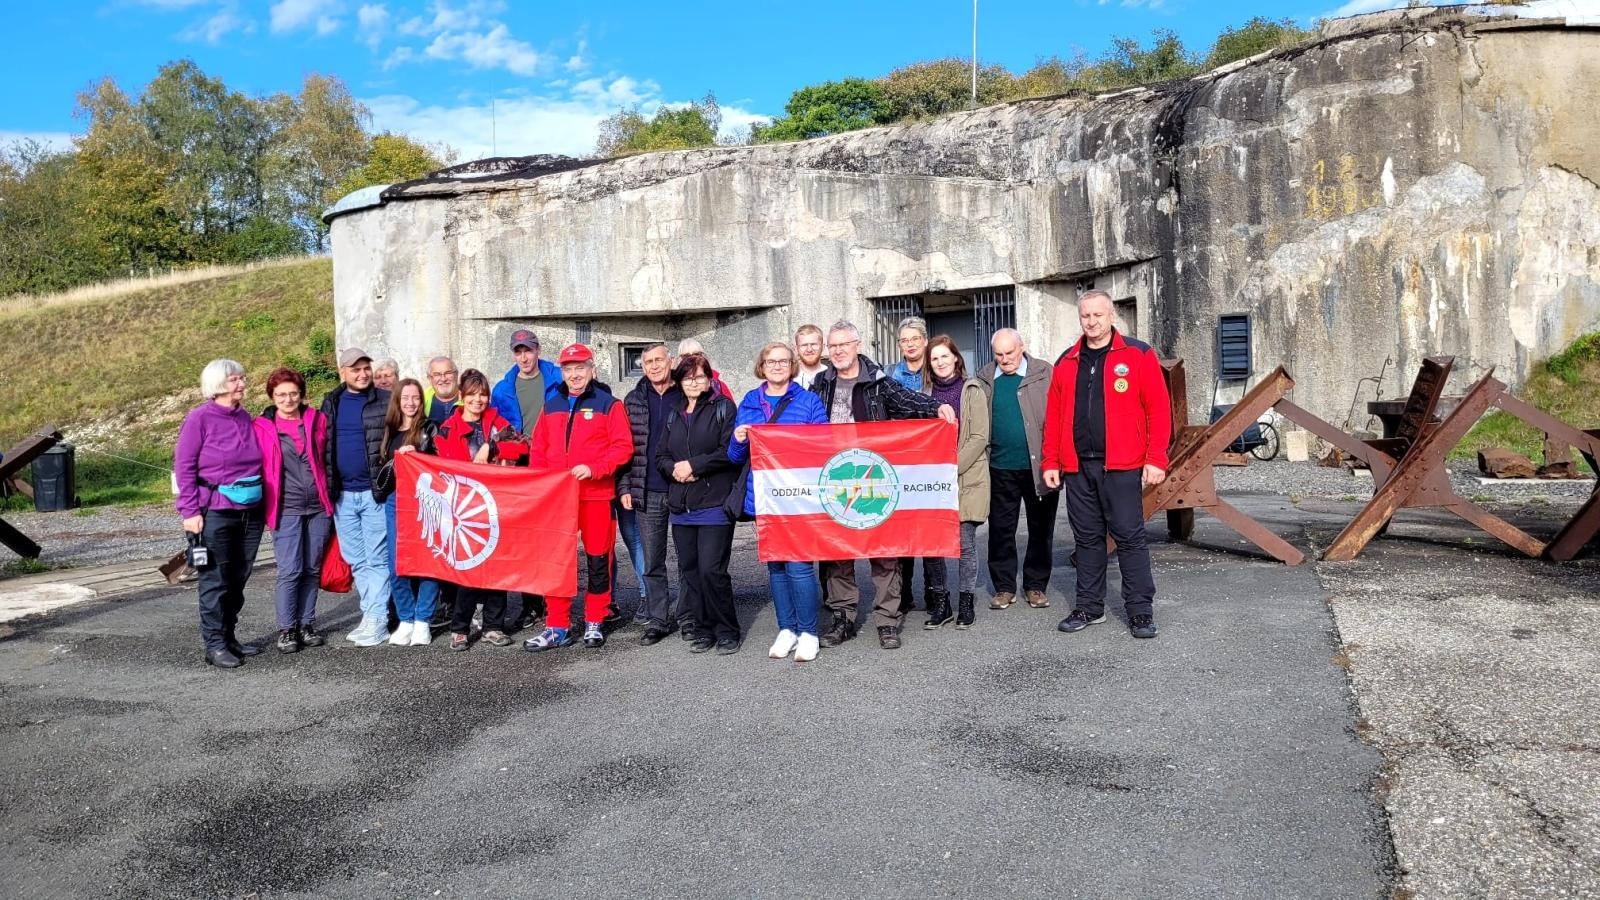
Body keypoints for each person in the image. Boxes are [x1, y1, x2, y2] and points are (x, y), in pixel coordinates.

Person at [809, 320, 955, 650]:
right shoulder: (820, 384)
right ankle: (843, 618)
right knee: (837, 555)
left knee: (884, 554)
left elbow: (908, 399)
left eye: (843, 345)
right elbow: (801, 417)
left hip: (875, 478)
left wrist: (937, 406)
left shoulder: (879, 382)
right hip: (835, 480)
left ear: (857, 345)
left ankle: (887, 622)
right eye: (832, 347)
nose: (838, 351)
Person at [1043, 290, 1171, 639]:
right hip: (1078, 467)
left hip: (1123, 465)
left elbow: (1158, 409)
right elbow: (1054, 416)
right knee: (1086, 540)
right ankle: (1089, 606)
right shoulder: (1067, 361)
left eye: (1098, 315)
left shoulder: (1137, 354)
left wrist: (1156, 458)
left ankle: (1140, 612)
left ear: (1112, 316)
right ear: (1080, 318)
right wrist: (1050, 461)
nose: (1092, 322)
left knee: (1130, 538)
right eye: (1086, 316)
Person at [524, 344, 634, 652]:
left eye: (580, 367)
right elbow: (539, 451)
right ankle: (557, 626)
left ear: (592, 370)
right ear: (562, 372)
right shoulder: (552, 404)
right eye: (568, 369)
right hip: (558, 500)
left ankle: (594, 620)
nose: (574, 374)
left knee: (599, 560)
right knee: (556, 562)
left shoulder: (608, 404)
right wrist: (541, 487)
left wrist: (596, 468)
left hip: (596, 496)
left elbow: (622, 448)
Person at [728, 342, 829, 661]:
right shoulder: (749, 401)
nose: (777, 366)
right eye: (771, 361)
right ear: (762, 366)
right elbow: (734, 457)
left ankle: (809, 632)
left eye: (783, 361)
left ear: (792, 365)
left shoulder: (808, 400)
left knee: (799, 566)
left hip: (798, 498)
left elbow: (824, 447)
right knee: (776, 566)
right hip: (765, 498)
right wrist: (738, 439)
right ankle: (787, 628)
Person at [175, 359, 265, 669]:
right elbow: (184, 467)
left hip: (250, 511)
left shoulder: (243, 417)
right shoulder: (198, 419)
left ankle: (229, 636)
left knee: (239, 577)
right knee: (215, 580)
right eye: (234, 380)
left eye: (242, 378)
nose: (241, 384)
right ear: (218, 384)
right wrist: (189, 511)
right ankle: (214, 645)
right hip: (214, 510)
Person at [656, 353, 741, 654]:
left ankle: (727, 629)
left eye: (700, 376)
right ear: (680, 381)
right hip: (682, 506)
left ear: (709, 379)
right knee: (690, 571)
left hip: (714, 502)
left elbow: (729, 451)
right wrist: (675, 469)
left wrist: (694, 465)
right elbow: (661, 455)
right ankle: (703, 629)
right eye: (688, 376)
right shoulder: (673, 412)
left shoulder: (723, 408)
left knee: (711, 570)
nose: (694, 381)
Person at [252, 367, 334, 655]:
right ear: (272, 397)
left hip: (318, 505)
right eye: (281, 395)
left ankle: (307, 624)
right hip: (285, 506)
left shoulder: (317, 420)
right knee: (290, 570)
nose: (288, 400)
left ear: (301, 395)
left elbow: (329, 458)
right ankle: (287, 629)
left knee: (312, 569)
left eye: (293, 394)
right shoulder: (261, 427)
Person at [434, 369, 518, 650]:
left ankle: (494, 626)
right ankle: (460, 627)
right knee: (468, 572)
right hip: (464, 508)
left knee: (497, 569)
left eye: (483, 394)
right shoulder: (448, 427)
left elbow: (519, 445)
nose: (478, 400)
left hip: (496, 504)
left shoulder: (497, 422)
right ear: (462, 396)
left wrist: (490, 446)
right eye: (472, 394)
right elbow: (442, 466)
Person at [977, 328, 1058, 612]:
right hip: (999, 466)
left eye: (1009, 353)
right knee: (1000, 529)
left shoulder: (1044, 373)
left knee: (1040, 528)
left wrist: (1056, 460)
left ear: (1022, 347)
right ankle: (1004, 587)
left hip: (1039, 467)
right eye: (998, 354)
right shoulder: (985, 378)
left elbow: (1058, 417)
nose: (1004, 359)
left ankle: (1035, 585)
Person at [319, 348, 393, 647]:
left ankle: (377, 620)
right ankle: (371, 614)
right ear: (343, 372)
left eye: (366, 368)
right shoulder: (331, 402)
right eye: (355, 369)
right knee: (356, 559)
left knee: (377, 559)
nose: (362, 374)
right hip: (343, 495)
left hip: (373, 493)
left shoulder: (385, 401)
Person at [620, 342, 690, 644]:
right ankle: (658, 619)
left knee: (689, 559)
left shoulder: (687, 393)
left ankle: (689, 616)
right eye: (647, 362)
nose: (653, 366)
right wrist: (624, 486)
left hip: (685, 489)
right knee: (652, 561)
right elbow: (626, 447)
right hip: (647, 491)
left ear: (670, 361)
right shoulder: (633, 399)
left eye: (659, 360)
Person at [923, 336, 989, 630]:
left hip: (967, 476)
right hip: (933, 480)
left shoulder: (972, 389)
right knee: (934, 545)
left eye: (944, 356)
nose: (940, 362)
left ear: (955, 358)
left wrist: (952, 467)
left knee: (965, 544)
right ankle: (941, 603)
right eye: (934, 358)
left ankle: (966, 602)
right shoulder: (924, 393)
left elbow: (979, 437)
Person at [376, 378, 440, 647]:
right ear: (398, 401)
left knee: (428, 562)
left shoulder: (429, 428)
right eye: (406, 398)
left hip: (424, 501)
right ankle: (406, 619)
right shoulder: (389, 430)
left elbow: (441, 465)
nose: (411, 403)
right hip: (395, 500)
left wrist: (420, 454)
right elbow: (380, 464)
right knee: (397, 563)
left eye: (416, 398)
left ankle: (423, 620)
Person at [890, 316, 940, 617]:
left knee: (931, 529)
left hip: (932, 461)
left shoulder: (937, 369)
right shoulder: (890, 375)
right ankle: (904, 593)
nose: (909, 344)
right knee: (902, 532)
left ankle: (934, 593)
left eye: (914, 339)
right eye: (904, 340)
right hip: (900, 461)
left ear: (924, 340)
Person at [491, 328, 561, 434]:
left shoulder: (559, 379)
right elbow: (493, 429)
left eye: (528, 351)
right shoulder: (500, 391)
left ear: (538, 350)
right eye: (518, 353)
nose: (523, 359)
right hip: (518, 449)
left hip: (551, 448)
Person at [423, 355, 461, 425]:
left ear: (456, 374)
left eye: (448, 373)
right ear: (429, 379)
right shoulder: (421, 400)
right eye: (437, 374)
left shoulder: (470, 398)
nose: (443, 379)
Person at [794, 324, 828, 390]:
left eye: (814, 344)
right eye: (804, 345)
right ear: (796, 349)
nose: (809, 349)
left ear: (823, 347)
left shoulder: (831, 376)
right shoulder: (789, 378)